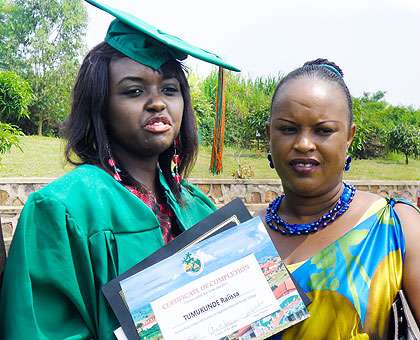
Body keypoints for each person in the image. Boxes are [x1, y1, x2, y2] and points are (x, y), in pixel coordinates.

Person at [0, 1, 239, 339]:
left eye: (170, 89)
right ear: (101, 106)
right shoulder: (62, 210)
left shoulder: (198, 206)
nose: (158, 102)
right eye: (134, 91)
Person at [255, 58, 420, 339]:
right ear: (270, 135)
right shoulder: (242, 236)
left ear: (348, 138)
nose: (304, 144)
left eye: (323, 130)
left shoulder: (395, 227)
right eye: (288, 129)